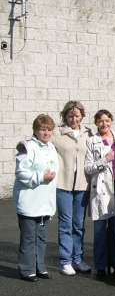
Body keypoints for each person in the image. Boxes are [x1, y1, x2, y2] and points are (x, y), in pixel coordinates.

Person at [13, 114, 59, 282]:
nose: (46, 133)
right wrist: (41, 177)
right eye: (42, 129)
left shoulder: (51, 147)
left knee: (41, 238)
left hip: (45, 203)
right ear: (35, 130)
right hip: (29, 202)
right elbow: (21, 173)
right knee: (28, 238)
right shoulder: (27, 146)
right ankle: (27, 269)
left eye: (49, 129)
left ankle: (39, 266)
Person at [84, 110, 115, 278]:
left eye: (107, 120)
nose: (104, 124)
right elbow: (88, 168)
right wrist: (105, 160)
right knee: (100, 231)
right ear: (96, 123)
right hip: (101, 191)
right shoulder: (92, 141)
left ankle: (114, 262)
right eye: (100, 121)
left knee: (114, 230)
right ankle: (100, 265)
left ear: (111, 121)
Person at [53, 101, 92, 276]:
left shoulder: (88, 133)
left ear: (82, 116)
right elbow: (40, 140)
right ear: (65, 116)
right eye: (70, 115)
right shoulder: (57, 133)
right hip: (63, 184)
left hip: (82, 185)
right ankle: (65, 261)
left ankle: (78, 259)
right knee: (65, 224)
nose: (74, 119)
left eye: (77, 115)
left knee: (78, 225)